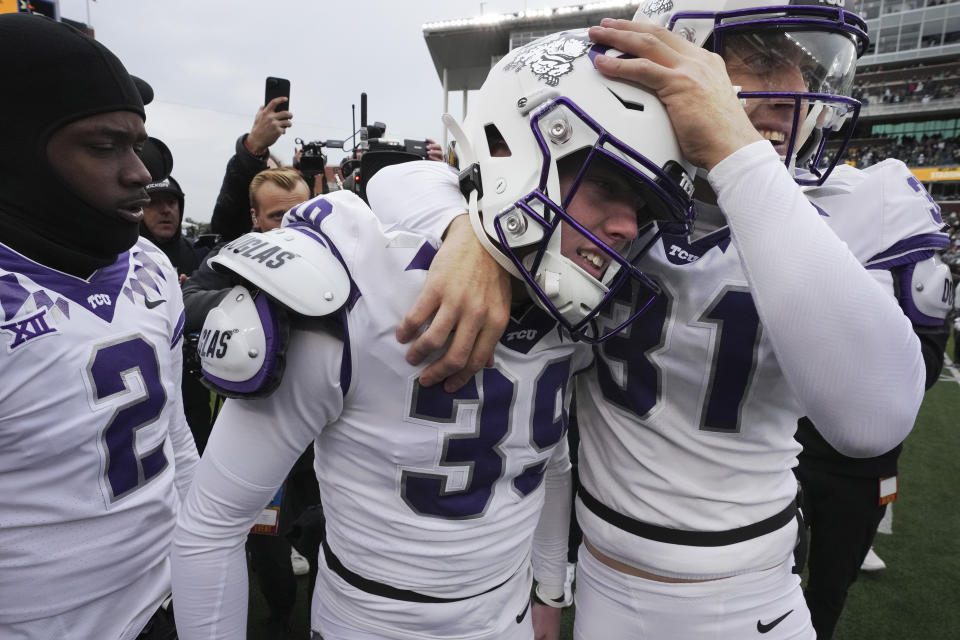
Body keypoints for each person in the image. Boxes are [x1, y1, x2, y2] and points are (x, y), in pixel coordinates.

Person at [364, 2, 951, 637]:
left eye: (807, 67)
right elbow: (409, 177)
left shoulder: (860, 201)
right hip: (604, 583)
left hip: (751, 591)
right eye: (761, 59)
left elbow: (875, 421)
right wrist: (465, 232)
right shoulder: (612, 193)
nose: (794, 92)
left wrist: (738, 156)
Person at [171, 31, 696, 640]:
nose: (628, 227)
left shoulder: (570, 301)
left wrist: (549, 589)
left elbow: (549, 459)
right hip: (371, 621)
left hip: (509, 616)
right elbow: (212, 526)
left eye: (641, 203)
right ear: (513, 153)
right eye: (605, 183)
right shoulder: (357, 285)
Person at [0, 13, 199, 640]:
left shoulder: (150, 265)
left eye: (137, 145)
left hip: (161, 601)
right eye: (103, 146)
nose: (141, 173)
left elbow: (174, 439)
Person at [181, 167, 315, 639]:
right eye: (278, 215)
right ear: (256, 218)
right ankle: (280, 617)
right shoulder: (232, 256)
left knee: (327, 529)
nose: (289, 224)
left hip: (328, 431)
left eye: (298, 212)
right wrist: (256, 294)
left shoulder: (335, 255)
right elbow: (187, 300)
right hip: (261, 423)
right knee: (266, 539)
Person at [209, 98, 294, 243]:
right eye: (259, 179)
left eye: (274, 178)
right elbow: (226, 221)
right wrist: (254, 146)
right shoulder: (235, 244)